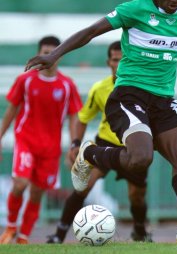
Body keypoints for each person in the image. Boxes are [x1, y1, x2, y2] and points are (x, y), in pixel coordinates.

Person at [25, 0, 177, 243]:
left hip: (163, 100)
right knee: (141, 159)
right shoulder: (135, 9)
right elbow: (90, 31)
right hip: (129, 94)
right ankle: (90, 154)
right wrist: (55, 54)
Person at [46, 41, 152, 244]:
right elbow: (83, 117)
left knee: (136, 196)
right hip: (105, 145)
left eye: (123, 60)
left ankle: (140, 231)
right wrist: (75, 143)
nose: (119, 63)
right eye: (115, 60)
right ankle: (59, 235)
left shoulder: (143, 88)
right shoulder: (100, 88)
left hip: (133, 147)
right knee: (82, 187)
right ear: (108, 62)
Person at [0, 36, 82, 244]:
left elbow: (74, 116)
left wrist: (74, 144)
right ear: (39, 54)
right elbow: (11, 110)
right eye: (45, 52)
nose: (49, 56)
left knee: (37, 193)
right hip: (26, 141)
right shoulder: (25, 80)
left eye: (53, 52)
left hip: (51, 148)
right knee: (20, 184)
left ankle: (23, 237)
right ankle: (10, 227)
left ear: (60, 56)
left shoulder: (67, 85)